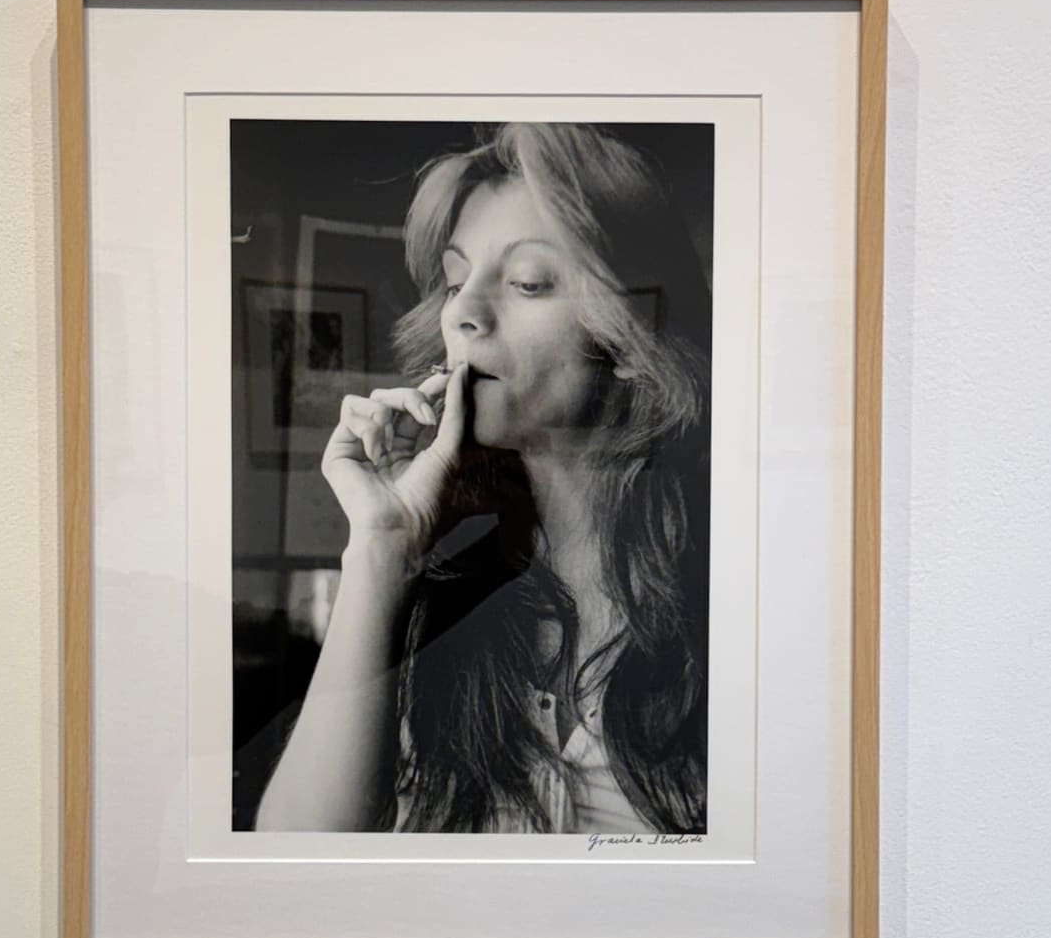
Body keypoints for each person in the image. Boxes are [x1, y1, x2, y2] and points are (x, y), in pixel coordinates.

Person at [255, 122, 711, 834]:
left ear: (628, 336)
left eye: (528, 282)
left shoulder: (731, 589)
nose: (463, 313)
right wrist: (383, 549)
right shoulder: (432, 589)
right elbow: (293, 867)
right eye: (456, 278)